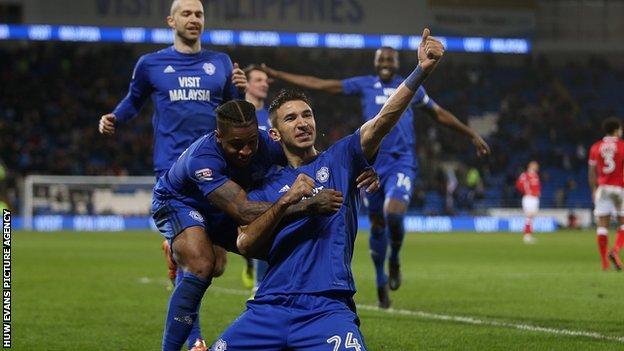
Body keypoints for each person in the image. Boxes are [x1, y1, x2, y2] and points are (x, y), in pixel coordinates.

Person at [210, 28, 444, 351]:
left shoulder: (342, 158)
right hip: (268, 309)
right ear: (275, 134)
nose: (303, 123)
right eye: (291, 118)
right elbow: (246, 243)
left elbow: (382, 120)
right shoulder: (266, 185)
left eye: (307, 115)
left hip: (327, 308)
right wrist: (289, 201)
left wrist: (421, 71)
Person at [261, 46, 489, 308]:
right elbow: (321, 84)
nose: (385, 63)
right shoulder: (364, 84)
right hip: (370, 164)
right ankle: (381, 280)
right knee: (378, 223)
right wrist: (279, 74)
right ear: (375, 62)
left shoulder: (412, 89)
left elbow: (439, 113)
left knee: (393, 213)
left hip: (401, 163)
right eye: (381, 59)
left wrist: (470, 134)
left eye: (390, 59)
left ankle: (394, 259)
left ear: (396, 62)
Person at [98, 0, 247, 349]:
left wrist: (240, 89)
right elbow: (133, 101)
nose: (194, 19)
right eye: (187, 14)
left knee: (217, 264)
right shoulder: (150, 64)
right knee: (199, 262)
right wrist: (114, 118)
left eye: (199, 14)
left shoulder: (220, 62)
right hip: (174, 174)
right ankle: (193, 340)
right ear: (171, 20)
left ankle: (174, 249)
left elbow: (235, 115)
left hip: (216, 170)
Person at [244, 64, 272, 291]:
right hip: (239, 182)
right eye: (259, 80)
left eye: (266, 80)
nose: (265, 83)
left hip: (269, 182)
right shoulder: (238, 113)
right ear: (246, 84)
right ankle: (249, 262)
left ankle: (259, 288)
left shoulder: (273, 115)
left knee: (266, 231)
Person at [588, 117, 624, 271]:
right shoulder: (622, 146)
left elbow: (591, 172)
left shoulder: (596, 147)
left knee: (602, 226)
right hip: (619, 188)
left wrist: (593, 190)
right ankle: (615, 250)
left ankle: (605, 263)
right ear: (616, 130)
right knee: (623, 223)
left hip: (602, 189)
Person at [515, 161, 540, 244]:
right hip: (529, 198)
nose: (537, 166)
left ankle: (529, 235)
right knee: (528, 217)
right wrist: (526, 191)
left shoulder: (535, 175)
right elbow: (518, 184)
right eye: (535, 165)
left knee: (531, 217)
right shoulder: (525, 175)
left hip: (535, 198)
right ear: (530, 166)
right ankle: (527, 236)